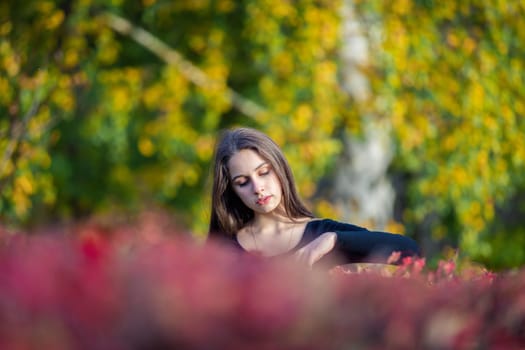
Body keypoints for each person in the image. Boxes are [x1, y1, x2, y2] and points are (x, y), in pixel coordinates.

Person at [207, 127, 420, 268]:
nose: (258, 188)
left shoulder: (321, 233)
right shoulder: (224, 247)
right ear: (232, 191)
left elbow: (411, 251)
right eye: (243, 182)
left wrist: (333, 240)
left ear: (280, 169)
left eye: (264, 172)